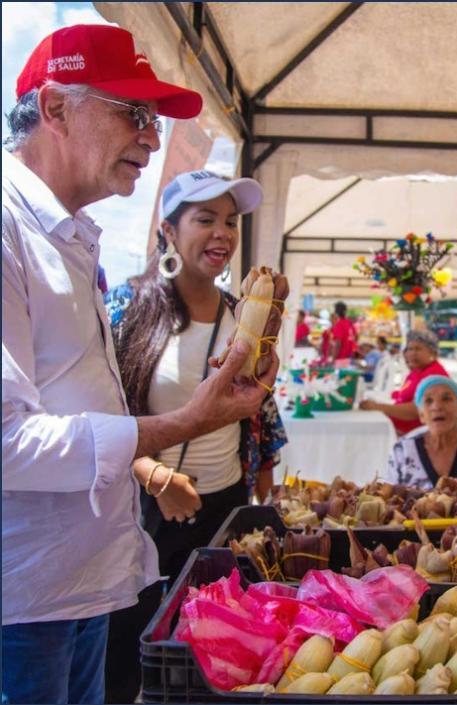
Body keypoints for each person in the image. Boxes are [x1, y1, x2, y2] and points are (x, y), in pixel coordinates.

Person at [2, 24, 279, 705]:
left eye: (153, 120)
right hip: (26, 606)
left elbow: (85, 399)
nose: (152, 138)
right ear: (56, 108)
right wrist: (180, 428)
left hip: (87, 583)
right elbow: (9, 441)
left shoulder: (70, 237)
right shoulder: (12, 228)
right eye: (134, 114)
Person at [101, 170, 287, 703]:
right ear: (168, 230)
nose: (223, 233)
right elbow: (99, 415)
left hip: (225, 506)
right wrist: (156, 477)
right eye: (204, 219)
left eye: (230, 221)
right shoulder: (124, 307)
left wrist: (261, 498)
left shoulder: (245, 313)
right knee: (133, 651)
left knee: (215, 652)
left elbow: (261, 418)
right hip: (146, 509)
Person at [386, 376, 457, 491]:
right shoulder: (401, 451)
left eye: (446, 399)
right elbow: (391, 500)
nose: (437, 407)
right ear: (421, 415)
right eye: (428, 401)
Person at [360, 329, 448, 436]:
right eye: (410, 349)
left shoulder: (434, 375)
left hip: (415, 435)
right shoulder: (416, 371)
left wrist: (378, 407)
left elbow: (417, 410)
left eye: (418, 349)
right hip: (396, 427)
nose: (412, 353)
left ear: (432, 353)